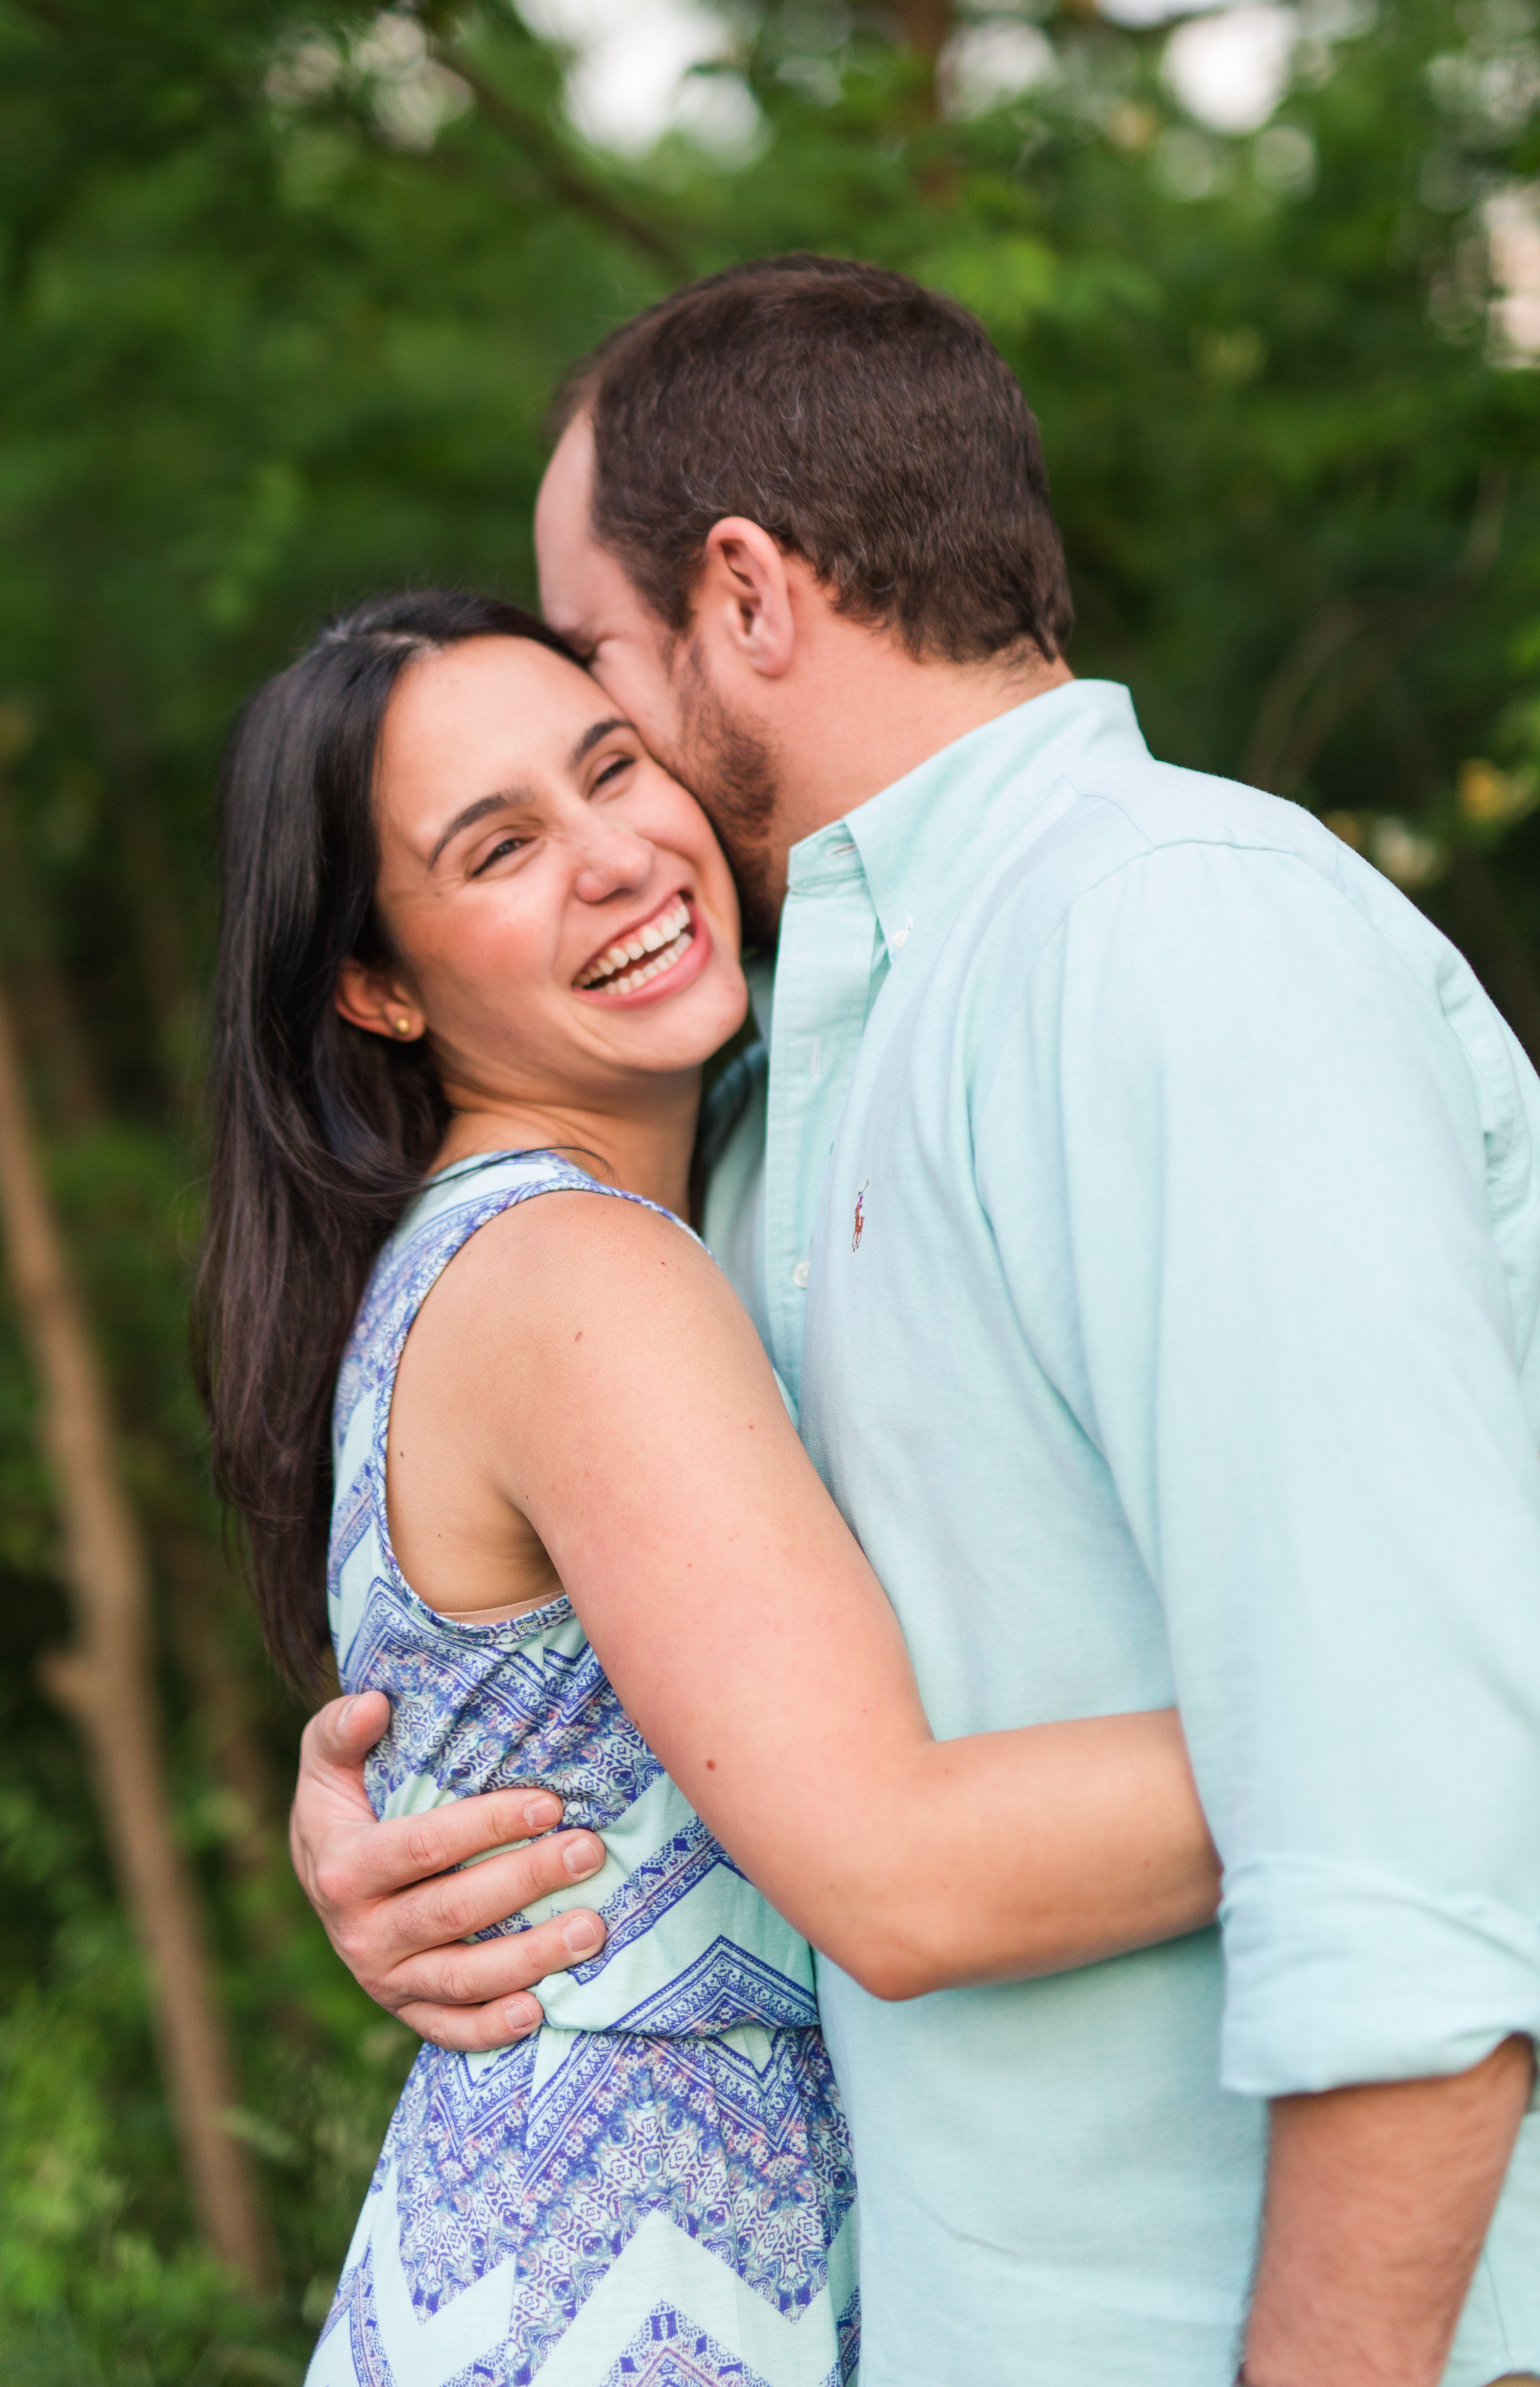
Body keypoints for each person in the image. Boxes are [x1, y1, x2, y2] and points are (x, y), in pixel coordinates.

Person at [286, 259, 1540, 2387]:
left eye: (608, 704)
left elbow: (1412, 1887)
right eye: (513, 827)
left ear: (744, 599)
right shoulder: (772, 1084)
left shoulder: (1167, 936)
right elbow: (708, 1665)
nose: (626, 840)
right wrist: (422, 1807)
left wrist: (1444, 1717)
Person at [204, 587, 1258, 2386]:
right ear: (377, 986)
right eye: (502, 848)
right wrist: (1451, 1680)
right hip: (639, 2301)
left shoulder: (528, 1235)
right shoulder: (575, 1272)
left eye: (614, 766)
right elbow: (901, 1881)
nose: (615, 855)